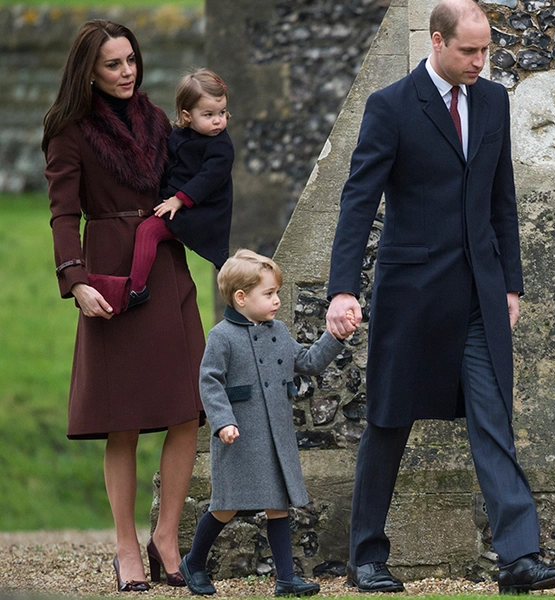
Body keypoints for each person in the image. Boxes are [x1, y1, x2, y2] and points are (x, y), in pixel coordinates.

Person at [325, 0, 555, 594]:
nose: (480, 62)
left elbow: (502, 199)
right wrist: (341, 289)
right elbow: (358, 203)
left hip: (479, 297)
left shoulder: (493, 101)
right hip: (410, 295)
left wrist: (510, 283)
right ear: (436, 42)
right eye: (469, 50)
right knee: (388, 420)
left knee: (494, 421)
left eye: (486, 50)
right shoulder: (389, 106)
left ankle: (518, 557)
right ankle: (367, 557)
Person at [42, 20, 206, 592]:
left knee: (188, 405)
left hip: (166, 266)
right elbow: (64, 213)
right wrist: (76, 279)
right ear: (88, 71)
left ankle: (166, 536)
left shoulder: (159, 120)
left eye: (131, 59)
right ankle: (124, 548)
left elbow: (196, 175)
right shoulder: (68, 131)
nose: (126, 71)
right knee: (124, 420)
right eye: (112, 64)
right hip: (111, 275)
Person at [178, 249, 355, 596]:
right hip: (238, 437)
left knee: (278, 506)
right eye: (269, 294)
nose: (276, 300)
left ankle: (286, 579)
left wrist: (335, 337)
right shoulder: (222, 336)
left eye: (277, 293)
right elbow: (209, 382)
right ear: (241, 298)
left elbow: (307, 361)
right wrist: (223, 422)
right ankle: (194, 563)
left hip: (276, 437)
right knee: (226, 506)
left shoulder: (279, 332)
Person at [123, 68, 235, 309]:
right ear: (187, 116)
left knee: (148, 232)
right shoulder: (179, 135)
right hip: (175, 202)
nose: (218, 120)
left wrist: (179, 200)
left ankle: (135, 289)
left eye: (222, 112)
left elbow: (208, 179)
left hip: (199, 211)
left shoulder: (221, 146)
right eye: (209, 114)